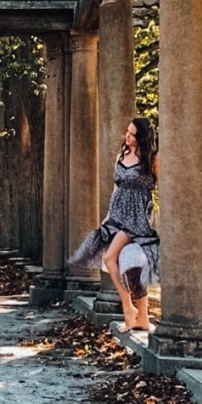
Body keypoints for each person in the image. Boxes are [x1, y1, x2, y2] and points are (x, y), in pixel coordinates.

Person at [71, 117, 160, 332]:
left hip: (137, 217)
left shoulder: (152, 159)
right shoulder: (122, 155)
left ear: (142, 138)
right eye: (127, 133)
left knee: (109, 257)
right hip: (117, 216)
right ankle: (143, 318)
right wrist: (107, 217)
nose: (127, 137)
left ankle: (128, 308)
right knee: (130, 265)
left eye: (132, 135)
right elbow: (116, 188)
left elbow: (161, 189)